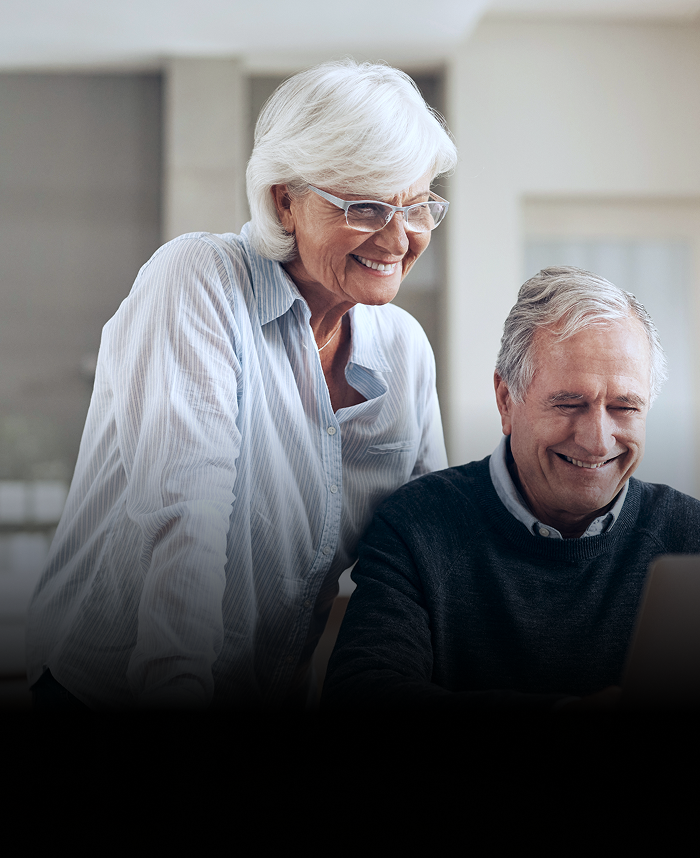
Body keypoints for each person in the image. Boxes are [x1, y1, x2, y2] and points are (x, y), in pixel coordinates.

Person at [25, 59, 457, 710]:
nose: (400, 237)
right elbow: (186, 531)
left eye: (418, 204)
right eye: (366, 206)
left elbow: (421, 560)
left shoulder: (405, 351)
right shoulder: (198, 281)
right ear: (286, 199)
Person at [322, 266, 700, 711]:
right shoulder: (417, 523)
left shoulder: (688, 534)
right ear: (506, 400)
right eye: (569, 403)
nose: (597, 440)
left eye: (624, 407)